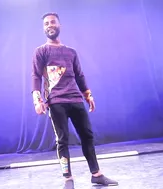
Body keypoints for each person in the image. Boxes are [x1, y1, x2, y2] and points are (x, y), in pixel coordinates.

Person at [31, 12, 118, 188]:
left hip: (75, 99)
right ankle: (68, 179)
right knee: (62, 140)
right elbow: (36, 76)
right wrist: (37, 99)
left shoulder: (71, 52)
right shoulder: (40, 52)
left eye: (53, 22)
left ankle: (96, 174)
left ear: (59, 25)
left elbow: (80, 75)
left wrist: (88, 95)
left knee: (87, 136)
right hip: (56, 102)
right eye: (46, 23)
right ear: (43, 28)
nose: (50, 25)